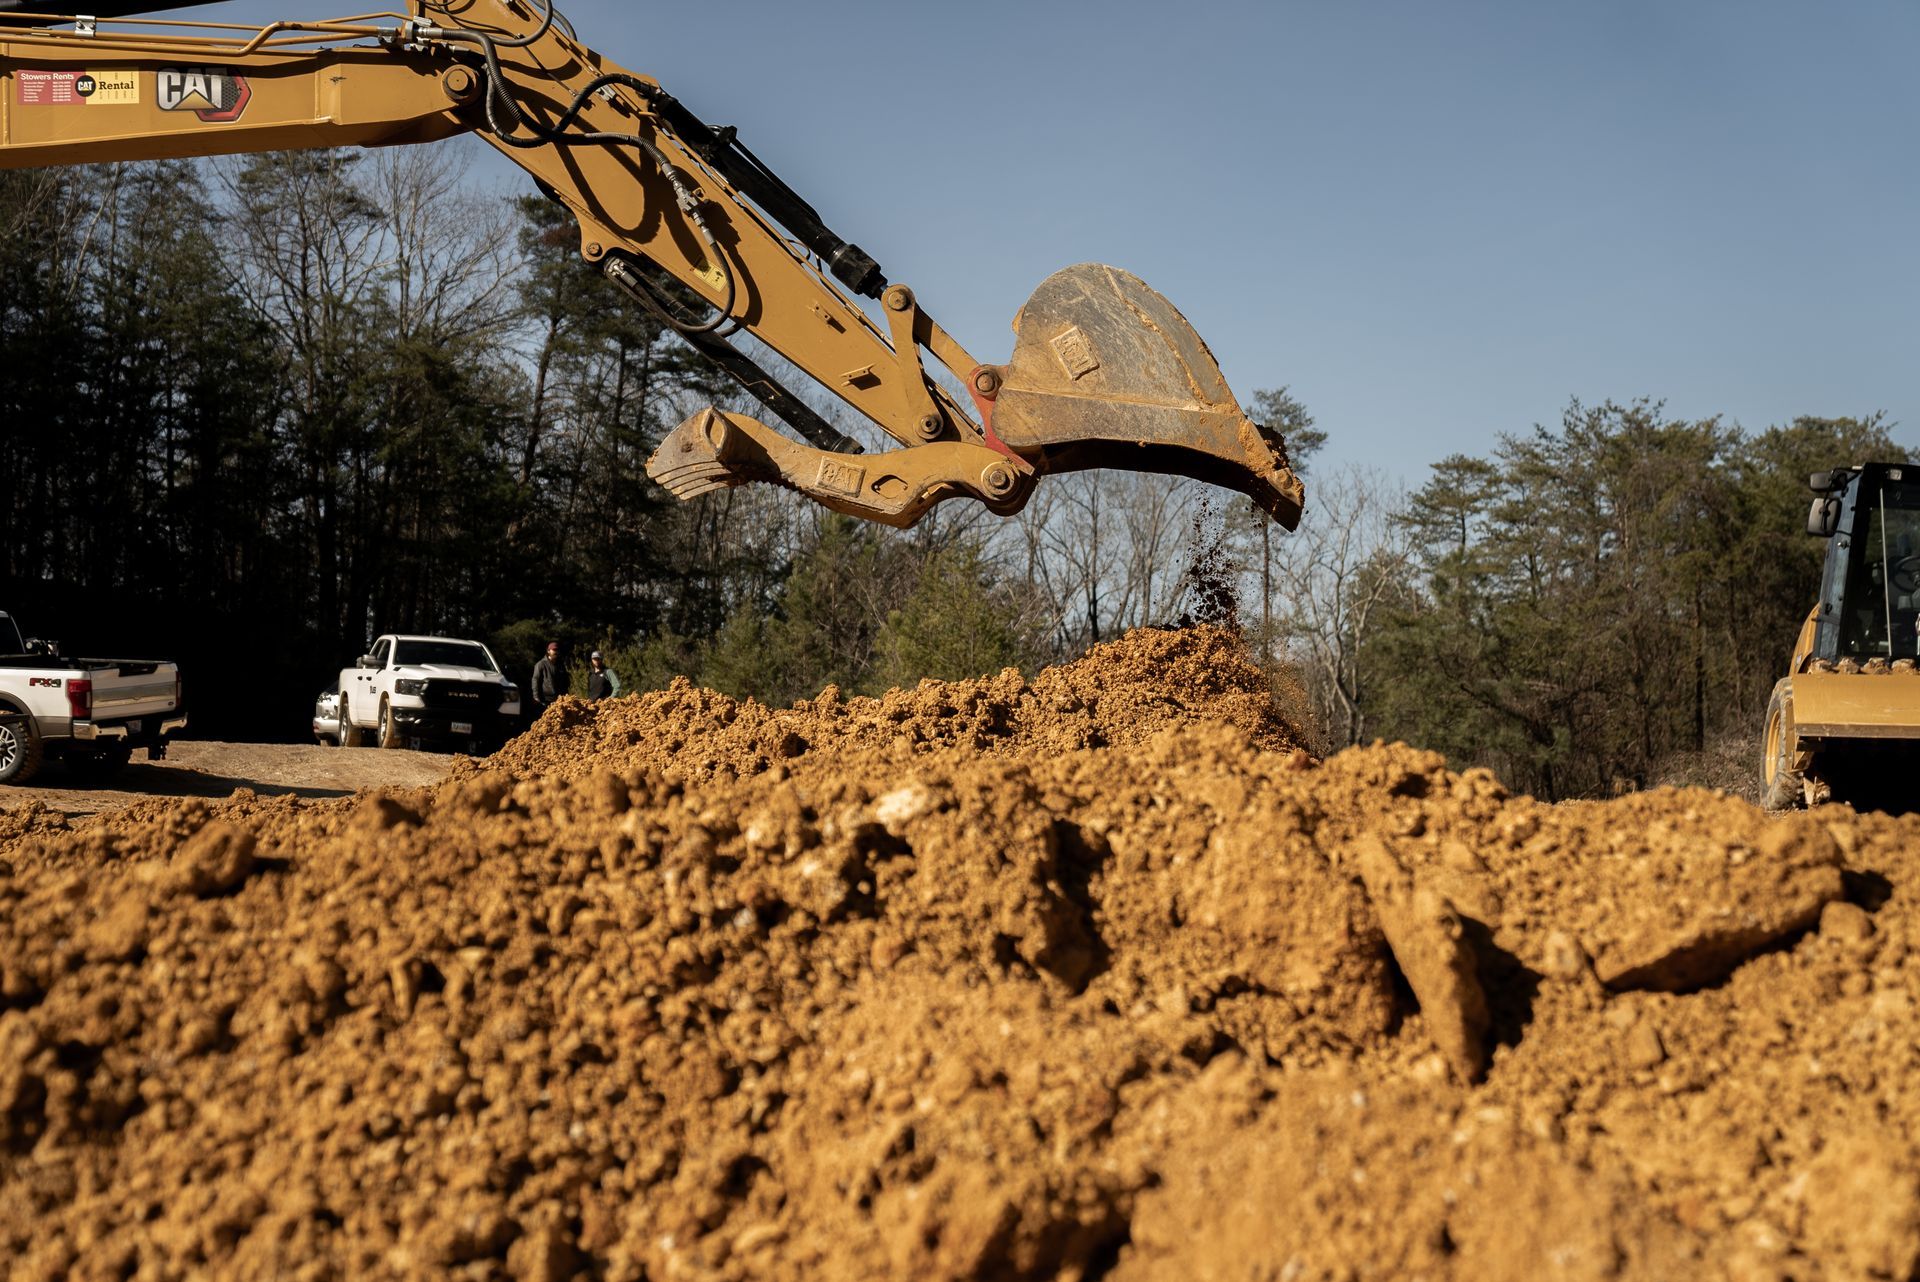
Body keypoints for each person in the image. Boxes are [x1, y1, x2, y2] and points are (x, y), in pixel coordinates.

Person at [530, 640, 568, 715]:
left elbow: (565, 680)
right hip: (546, 700)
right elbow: (535, 680)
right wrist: (536, 697)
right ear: (548, 651)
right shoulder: (541, 664)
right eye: (554, 650)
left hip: (560, 700)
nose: (556, 652)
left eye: (557, 650)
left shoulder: (560, 665)